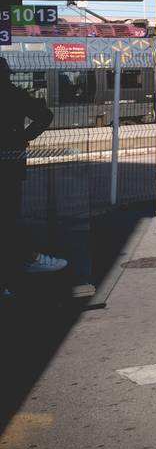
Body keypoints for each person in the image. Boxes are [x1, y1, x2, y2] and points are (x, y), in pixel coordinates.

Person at [1, 56, 68, 290]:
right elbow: (45, 115)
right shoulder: (14, 94)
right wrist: (22, 138)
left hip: (10, 163)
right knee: (10, 217)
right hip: (10, 163)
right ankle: (24, 261)